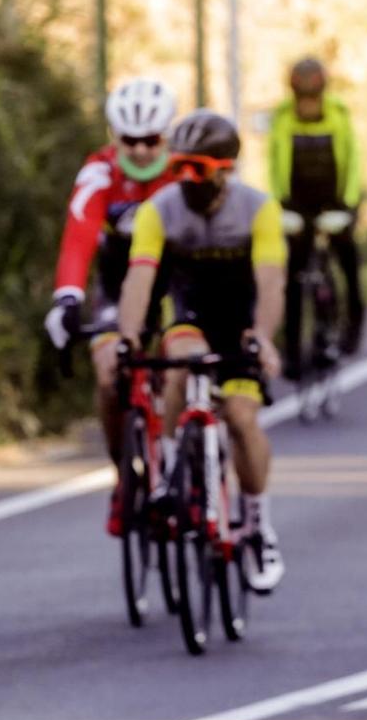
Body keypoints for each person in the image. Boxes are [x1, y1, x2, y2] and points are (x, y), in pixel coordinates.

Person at [115, 110, 286, 591]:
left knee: (241, 417)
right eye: (180, 167)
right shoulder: (159, 210)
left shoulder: (258, 209)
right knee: (180, 362)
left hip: (241, 325)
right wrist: (128, 336)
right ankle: (172, 473)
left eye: (199, 168)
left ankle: (257, 526)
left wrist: (263, 335)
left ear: (225, 168)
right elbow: (141, 277)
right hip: (189, 317)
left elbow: (271, 282)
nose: (187, 180)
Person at [43, 77, 181, 529]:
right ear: (114, 137)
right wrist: (67, 298)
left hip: (176, 279)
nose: (141, 151)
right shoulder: (100, 171)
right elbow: (78, 235)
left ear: (167, 136)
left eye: (152, 140)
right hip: (119, 281)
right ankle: (125, 477)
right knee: (108, 373)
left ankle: (186, 459)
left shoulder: (183, 171)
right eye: (130, 141)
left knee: (185, 364)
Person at [268, 57, 365, 374]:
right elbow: (274, 165)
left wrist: (348, 205)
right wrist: (279, 206)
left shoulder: (338, 115)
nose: (309, 106)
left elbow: (353, 161)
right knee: (293, 276)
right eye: (303, 99)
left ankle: (353, 319)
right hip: (297, 205)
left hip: (335, 200)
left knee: (348, 259)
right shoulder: (282, 118)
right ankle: (293, 350)